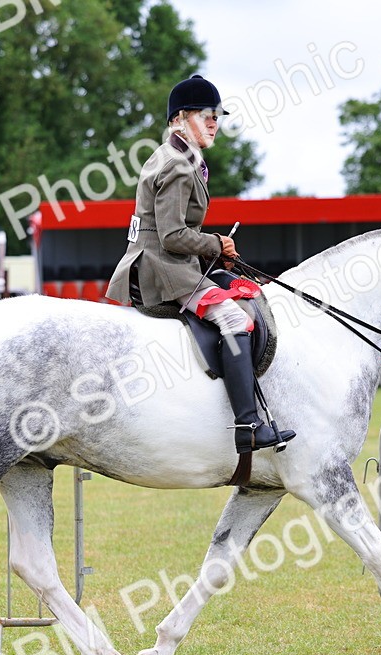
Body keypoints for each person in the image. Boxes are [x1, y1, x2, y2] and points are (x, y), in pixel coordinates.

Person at [106, 74, 295, 453]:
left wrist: (214, 249)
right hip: (162, 270)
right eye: (205, 115)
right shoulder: (177, 164)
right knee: (234, 318)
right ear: (179, 119)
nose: (214, 122)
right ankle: (248, 425)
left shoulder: (181, 156)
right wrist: (215, 244)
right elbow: (173, 236)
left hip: (169, 263)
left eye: (217, 116)